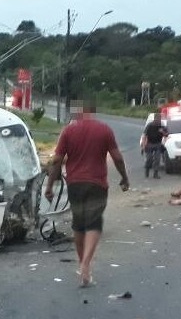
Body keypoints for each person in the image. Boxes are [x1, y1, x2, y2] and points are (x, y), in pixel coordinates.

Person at [45, 99, 130, 287]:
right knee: (94, 223)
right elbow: (117, 157)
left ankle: (83, 263)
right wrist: (124, 177)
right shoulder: (104, 129)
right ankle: (86, 264)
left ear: (77, 113)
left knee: (79, 224)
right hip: (97, 183)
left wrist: (49, 186)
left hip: (75, 184)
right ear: (91, 112)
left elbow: (57, 160)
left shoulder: (68, 131)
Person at [140, 113, 167, 179]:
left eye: (159, 119)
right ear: (154, 119)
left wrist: (162, 132)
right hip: (149, 144)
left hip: (158, 144)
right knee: (149, 159)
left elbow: (166, 134)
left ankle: (155, 173)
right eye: (157, 119)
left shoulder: (162, 126)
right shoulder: (150, 125)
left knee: (157, 159)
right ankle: (147, 169)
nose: (159, 120)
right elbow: (144, 136)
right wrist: (143, 146)